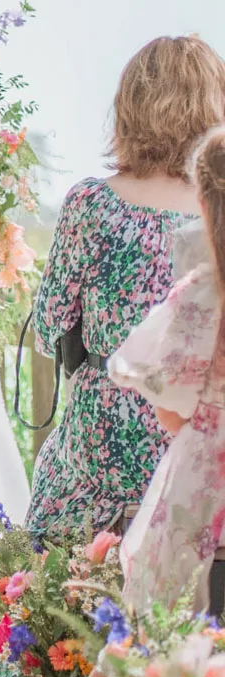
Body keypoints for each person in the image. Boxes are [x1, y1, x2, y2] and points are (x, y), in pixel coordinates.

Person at [0, 35, 225, 677]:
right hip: (183, 429)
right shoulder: (214, 209)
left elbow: (55, 313)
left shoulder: (93, 202)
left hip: (99, 421)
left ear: (130, 107)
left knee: (55, 544)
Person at [110, 123, 225, 617]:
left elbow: (170, 409)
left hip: (205, 477)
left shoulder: (201, 294)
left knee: (170, 607)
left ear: (205, 203)